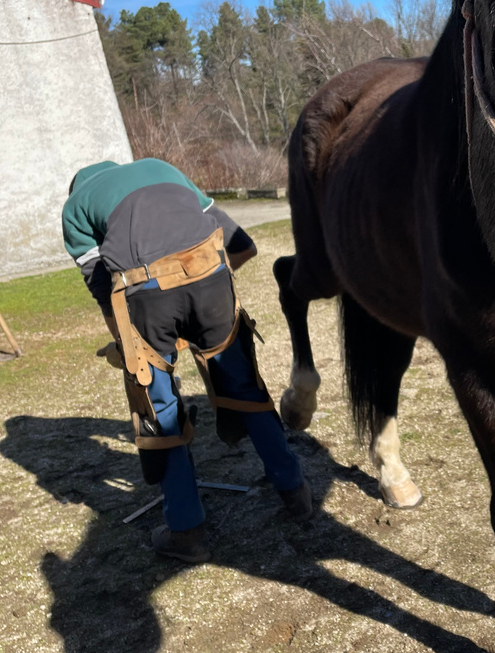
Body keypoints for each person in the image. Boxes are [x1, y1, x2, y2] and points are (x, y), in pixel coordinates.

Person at [62, 158, 311, 563]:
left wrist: (129, 344)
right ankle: (295, 490)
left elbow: (102, 288)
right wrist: (199, 298)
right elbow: (243, 246)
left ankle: (186, 531)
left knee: (162, 413)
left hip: (144, 295)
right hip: (211, 277)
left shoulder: (75, 207)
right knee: (245, 388)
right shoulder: (162, 168)